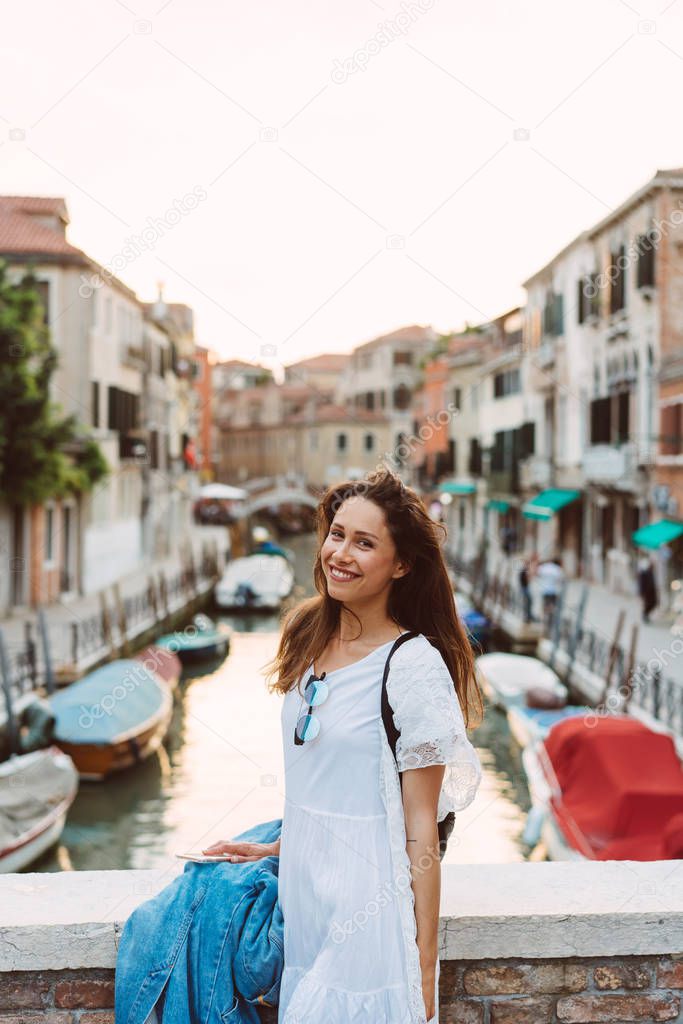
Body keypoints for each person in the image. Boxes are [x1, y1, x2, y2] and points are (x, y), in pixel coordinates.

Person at [203, 467, 484, 1023]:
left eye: (364, 542)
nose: (341, 553)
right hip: (304, 904)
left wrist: (423, 967)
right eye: (337, 534)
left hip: (369, 908)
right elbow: (332, 786)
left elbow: (420, 824)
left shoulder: (413, 666)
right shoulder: (306, 632)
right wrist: (279, 848)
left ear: (401, 564)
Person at [536, 556, 564, 631]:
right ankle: (550, 622)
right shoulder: (557, 569)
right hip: (553, 591)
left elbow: (538, 574)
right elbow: (561, 579)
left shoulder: (543, 568)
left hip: (544, 591)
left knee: (545, 606)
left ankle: (544, 621)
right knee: (552, 607)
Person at [637, 553, 658, 623]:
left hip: (651, 591)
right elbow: (642, 583)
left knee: (654, 603)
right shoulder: (644, 571)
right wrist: (642, 592)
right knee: (647, 604)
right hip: (646, 591)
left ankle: (646, 615)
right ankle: (645, 615)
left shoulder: (651, 572)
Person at [518, 558, 535, 623]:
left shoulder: (523, 571)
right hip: (525, 589)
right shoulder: (524, 571)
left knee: (529, 602)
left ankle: (528, 616)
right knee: (528, 602)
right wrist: (530, 576)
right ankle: (527, 616)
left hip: (524, 588)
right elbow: (527, 580)